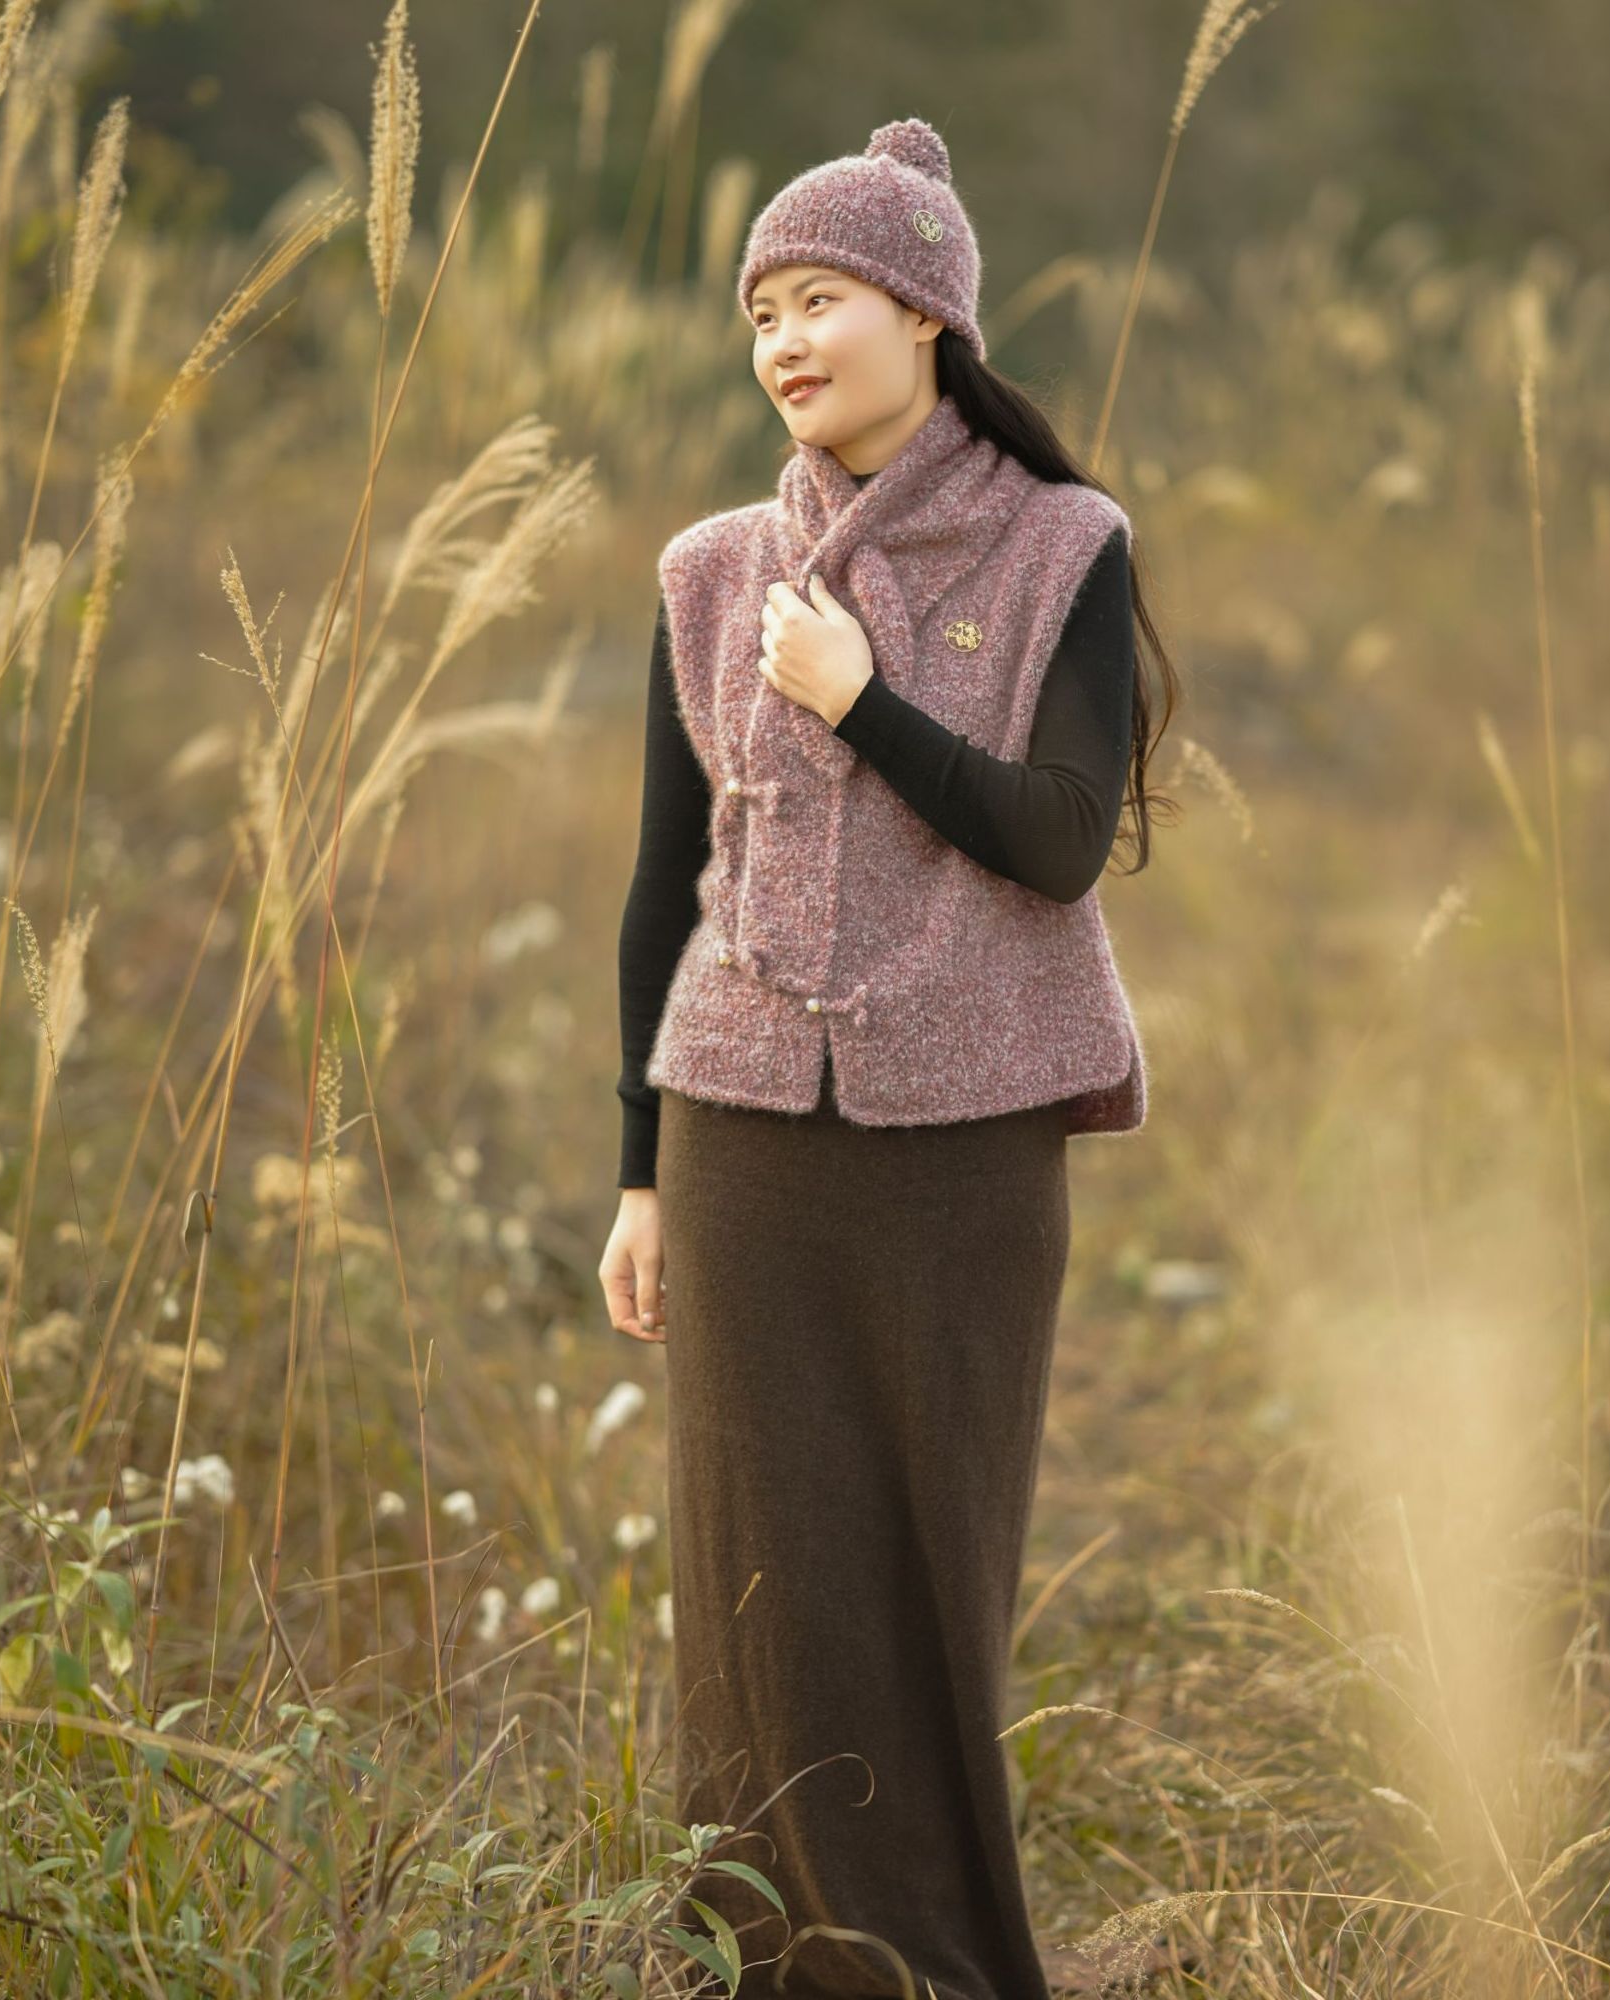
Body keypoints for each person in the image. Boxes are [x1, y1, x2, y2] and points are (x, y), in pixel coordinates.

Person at [597, 116, 1180, 2000]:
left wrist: (863, 705)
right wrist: (634, 1173)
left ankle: (936, 1968)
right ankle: (759, 1966)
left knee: (933, 1571)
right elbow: (658, 890)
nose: (781, 336)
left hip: (967, 1145)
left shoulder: (1056, 546)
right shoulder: (706, 574)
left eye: (819, 296)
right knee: (752, 1590)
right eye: (759, 306)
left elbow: (1062, 836)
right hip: (740, 1134)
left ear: (926, 312)